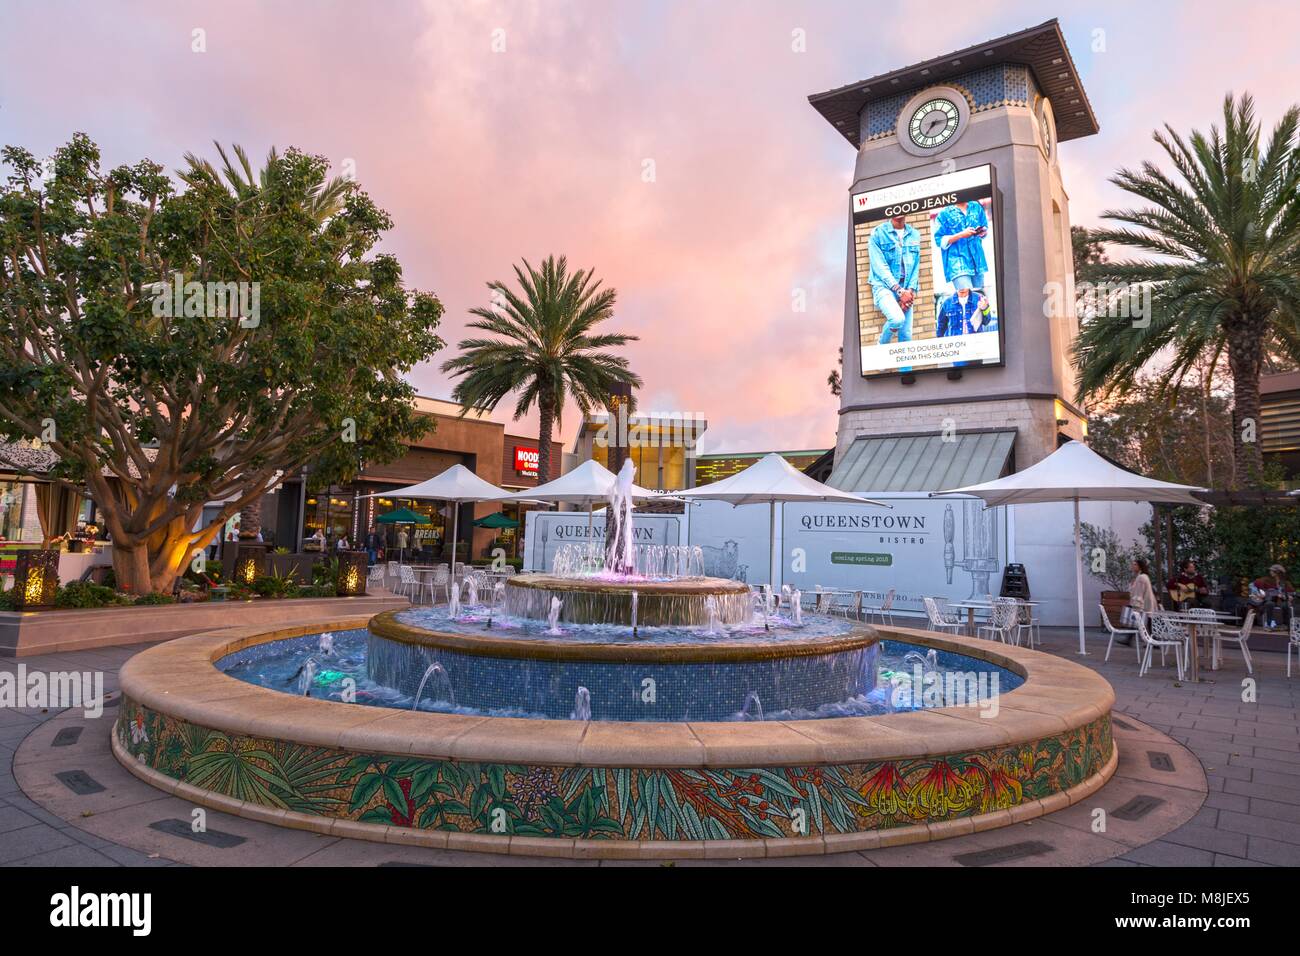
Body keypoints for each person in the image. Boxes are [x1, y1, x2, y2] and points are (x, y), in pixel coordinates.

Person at [867, 214, 921, 350]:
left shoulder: (915, 234)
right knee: (897, 319)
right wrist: (899, 291)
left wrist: (910, 291)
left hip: (906, 288)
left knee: (906, 335)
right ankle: (881, 348)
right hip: (883, 287)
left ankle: (906, 371)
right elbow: (879, 266)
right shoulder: (878, 233)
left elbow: (915, 266)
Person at [933, 199, 989, 292]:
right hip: (957, 263)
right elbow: (939, 240)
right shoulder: (944, 213)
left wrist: (983, 232)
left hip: (977, 261)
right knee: (966, 297)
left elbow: (985, 226)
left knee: (978, 299)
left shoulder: (976, 207)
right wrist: (961, 235)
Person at [1249, 564, 1294, 630]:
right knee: (1269, 604)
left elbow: (1291, 595)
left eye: (1272, 571)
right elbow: (1251, 584)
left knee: (1285, 605)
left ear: (1277, 573)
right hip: (1270, 600)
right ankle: (1269, 624)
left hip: (1280, 601)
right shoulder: (1266, 580)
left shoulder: (1285, 583)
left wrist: (1289, 597)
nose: (1270, 572)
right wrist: (1258, 593)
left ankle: (1286, 625)